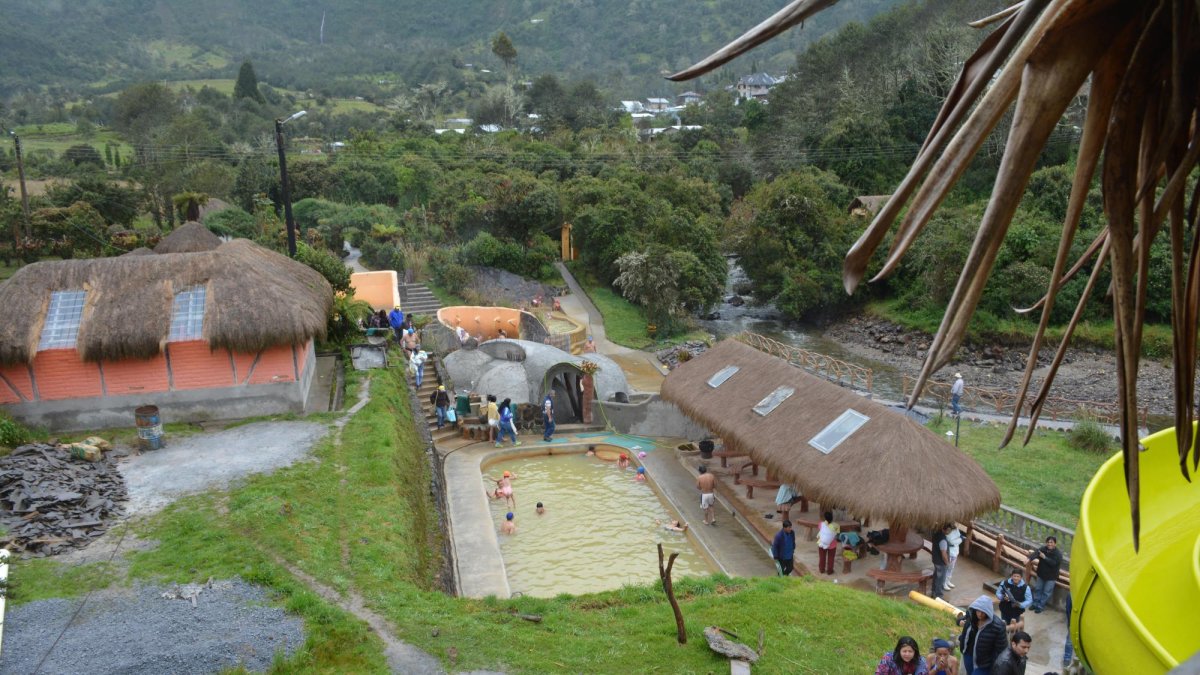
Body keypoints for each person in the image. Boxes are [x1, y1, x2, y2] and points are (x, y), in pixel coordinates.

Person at [958, 595, 1009, 675]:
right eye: (978, 611)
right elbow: (960, 621)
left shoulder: (998, 626)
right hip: (968, 655)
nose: (980, 614)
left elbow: (1001, 649)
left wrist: (993, 665)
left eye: (983, 612)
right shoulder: (971, 616)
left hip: (984, 663)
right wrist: (959, 623)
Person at [1027, 536, 1063, 613]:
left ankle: (1040, 606)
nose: (1049, 544)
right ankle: (1035, 603)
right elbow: (1036, 553)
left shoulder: (1058, 554)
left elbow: (1053, 563)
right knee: (1038, 589)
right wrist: (1029, 559)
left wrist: (1044, 557)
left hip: (1051, 577)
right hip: (1041, 574)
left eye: (1051, 542)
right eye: (1048, 542)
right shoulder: (1043, 549)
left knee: (1046, 592)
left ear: (1055, 544)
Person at [931, 523, 952, 599]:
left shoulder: (936, 534)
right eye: (948, 530)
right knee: (940, 580)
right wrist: (947, 563)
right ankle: (939, 596)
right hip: (941, 562)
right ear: (944, 529)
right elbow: (943, 554)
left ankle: (933, 593)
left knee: (936, 577)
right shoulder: (943, 539)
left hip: (936, 560)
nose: (949, 532)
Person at [816, 510, 839, 575]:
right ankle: (829, 571)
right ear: (832, 517)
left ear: (825, 518)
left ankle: (821, 569)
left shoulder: (821, 524)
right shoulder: (836, 525)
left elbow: (820, 532)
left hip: (822, 543)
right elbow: (836, 534)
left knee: (822, 557)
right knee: (831, 558)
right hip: (832, 544)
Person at [945, 524, 964, 590]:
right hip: (950, 552)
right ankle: (944, 583)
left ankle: (948, 581)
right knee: (947, 568)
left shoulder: (956, 529)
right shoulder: (948, 531)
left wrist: (958, 540)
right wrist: (960, 540)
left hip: (955, 552)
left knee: (951, 568)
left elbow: (960, 536)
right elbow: (951, 542)